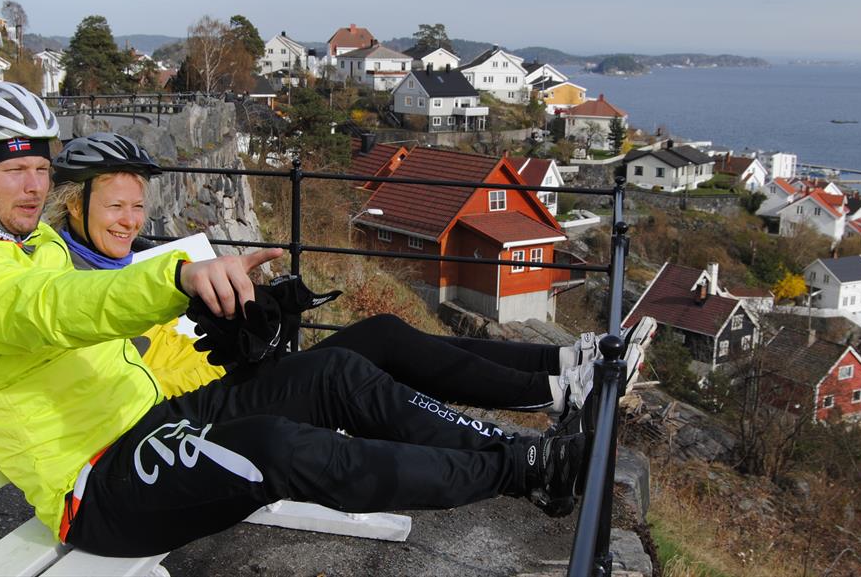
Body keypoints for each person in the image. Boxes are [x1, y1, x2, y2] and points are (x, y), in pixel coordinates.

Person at [0, 81, 591, 560]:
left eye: (39, 168)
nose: (34, 186)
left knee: (335, 371)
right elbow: (50, 309)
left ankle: (527, 453)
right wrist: (175, 277)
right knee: (272, 446)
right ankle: (518, 470)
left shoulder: (17, 245)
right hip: (97, 487)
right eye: (14, 170)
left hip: (154, 417)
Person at [44, 131, 598, 413]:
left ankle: (562, 365)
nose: (131, 221)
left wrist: (254, 319)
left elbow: (189, 341)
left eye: (137, 207)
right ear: (73, 204)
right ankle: (553, 393)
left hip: (239, 384)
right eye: (116, 208)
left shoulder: (145, 262)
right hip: (209, 411)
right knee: (367, 356)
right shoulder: (78, 295)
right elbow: (141, 384)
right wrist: (236, 348)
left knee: (383, 331)